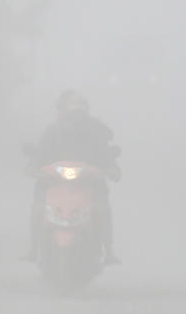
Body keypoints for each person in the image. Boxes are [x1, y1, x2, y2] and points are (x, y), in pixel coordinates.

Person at [23, 89, 121, 264]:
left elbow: (106, 154)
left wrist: (112, 168)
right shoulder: (53, 131)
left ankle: (109, 250)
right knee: (38, 204)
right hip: (55, 182)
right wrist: (33, 166)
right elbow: (41, 152)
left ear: (86, 111)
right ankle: (33, 249)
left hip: (89, 182)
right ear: (65, 112)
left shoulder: (96, 131)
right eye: (73, 111)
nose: (77, 115)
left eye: (80, 111)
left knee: (101, 206)